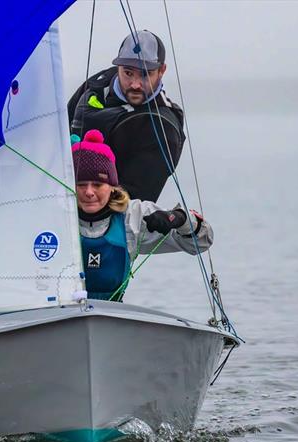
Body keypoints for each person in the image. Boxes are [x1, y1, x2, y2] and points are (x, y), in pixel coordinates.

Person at [72, 130, 210, 301]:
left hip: (109, 316)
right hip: (54, 317)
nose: (89, 192)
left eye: (98, 184)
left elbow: (201, 243)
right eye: (81, 184)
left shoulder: (134, 216)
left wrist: (180, 219)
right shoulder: (51, 216)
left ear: (112, 186)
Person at [67, 29, 185, 202]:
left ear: (161, 70)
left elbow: (132, 199)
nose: (135, 84)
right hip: (61, 202)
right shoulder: (98, 85)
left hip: (111, 219)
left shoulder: (164, 129)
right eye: (128, 73)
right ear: (118, 67)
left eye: (145, 74)